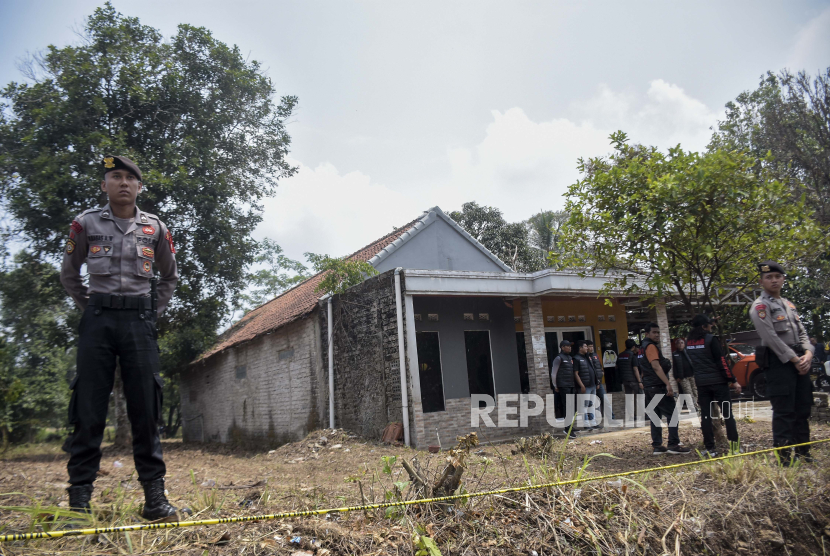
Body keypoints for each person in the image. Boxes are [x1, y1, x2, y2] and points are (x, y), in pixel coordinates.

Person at [60, 155, 186, 521]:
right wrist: (91, 307)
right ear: (105, 185)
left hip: (139, 323)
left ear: (139, 187)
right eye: (115, 177)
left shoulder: (155, 229)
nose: (123, 183)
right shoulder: (85, 224)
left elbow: (169, 277)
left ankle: (155, 501)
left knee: (146, 410)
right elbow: (70, 275)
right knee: (88, 410)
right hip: (97, 321)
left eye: (130, 178)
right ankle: (79, 505)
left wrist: (150, 313)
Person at [749, 261, 813, 465]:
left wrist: (808, 355)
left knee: (802, 409)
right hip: (779, 362)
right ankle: (784, 459)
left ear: (783, 279)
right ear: (761, 281)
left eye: (777, 276)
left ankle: (804, 455)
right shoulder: (760, 306)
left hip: (800, 359)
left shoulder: (789, 305)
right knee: (784, 411)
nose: (774, 280)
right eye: (769, 277)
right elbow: (770, 337)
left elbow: (802, 333)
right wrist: (794, 359)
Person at [685, 315, 741, 457]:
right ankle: (734, 446)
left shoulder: (689, 342)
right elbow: (722, 362)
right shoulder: (711, 339)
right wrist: (733, 380)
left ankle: (710, 448)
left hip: (702, 383)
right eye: (709, 324)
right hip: (718, 382)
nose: (711, 326)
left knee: (705, 416)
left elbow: (692, 363)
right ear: (704, 326)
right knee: (728, 414)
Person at [637, 323, 690, 455]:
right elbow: (656, 366)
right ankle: (673, 444)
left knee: (655, 416)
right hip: (657, 386)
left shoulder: (641, 348)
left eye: (658, 332)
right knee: (672, 414)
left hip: (649, 386)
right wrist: (668, 384)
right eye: (654, 332)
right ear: (647, 334)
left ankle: (657, 446)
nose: (657, 335)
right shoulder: (650, 346)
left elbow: (644, 368)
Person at [550, 340, 578, 438]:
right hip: (563, 385)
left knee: (572, 407)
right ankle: (567, 429)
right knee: (567, 407)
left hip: (570, 385)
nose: (570, 348)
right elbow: (554, 373)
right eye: (567, 346)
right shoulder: (558, 358)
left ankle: (571, 426)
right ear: (562, 347)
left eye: (570, 346)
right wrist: (555, 386)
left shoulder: (570, 357)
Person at [572, 340, 598, 429]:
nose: (587, 348)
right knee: (584, 405)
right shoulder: (576, 358)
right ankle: (586, 424)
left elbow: (593, 370)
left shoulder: (588, 357)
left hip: (592, 385)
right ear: (580, 348)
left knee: (592, 405)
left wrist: (596, 382)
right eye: (585, 346)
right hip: (585, 386)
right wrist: (582, 385)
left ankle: (593, 423)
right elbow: (576, 373)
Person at [671, 339, 701, 415]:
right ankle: (693, 407)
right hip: (683, 377)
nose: (680, 344)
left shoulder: (688, 352)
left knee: (694, 391)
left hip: (692, 375)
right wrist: (677, 376)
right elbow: (674, 367)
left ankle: (696, 405)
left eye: (682, 343)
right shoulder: (674, 354)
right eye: (679, 343)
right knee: (688, 392)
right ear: (676, 345)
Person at [586, 340, 612, 424]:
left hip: (599, 383)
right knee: (591, 404)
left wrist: (601, 375)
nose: (591, 348)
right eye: (589, 346)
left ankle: (611, 418)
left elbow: (599, 367)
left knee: (606, 401)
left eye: (592, 346)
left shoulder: (595, 355)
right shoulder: (584, 357)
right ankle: (593, 422)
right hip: (590, 384)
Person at [617, 339, 643, 421]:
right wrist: (640, 381)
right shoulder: (632, 355)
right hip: (634, 380)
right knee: (640, 397)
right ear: (633, 347)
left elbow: (617, 368)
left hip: (625, 380)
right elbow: (635, 369)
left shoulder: (620, 355)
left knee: (629, 398)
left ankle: (631, 416)